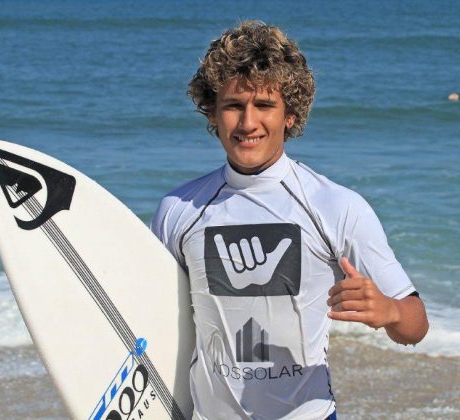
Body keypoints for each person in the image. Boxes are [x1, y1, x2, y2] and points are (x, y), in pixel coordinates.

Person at [152, 20, 428, 420]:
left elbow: (415, 325)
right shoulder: (179, 208)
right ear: (212, 113)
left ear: (291, 116)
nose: (247, 123)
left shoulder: (335, 206)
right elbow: (152, 315)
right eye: (233, 105)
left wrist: (391, 311)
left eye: (264, 105)